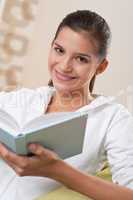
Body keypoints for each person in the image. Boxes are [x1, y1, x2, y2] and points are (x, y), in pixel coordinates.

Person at [0, 10, 133, 200]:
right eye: (59, 50)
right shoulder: (23, 99)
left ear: (101, 66)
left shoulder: (112, 118)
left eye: (81, 59)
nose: (64, 66)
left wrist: (57, 171)